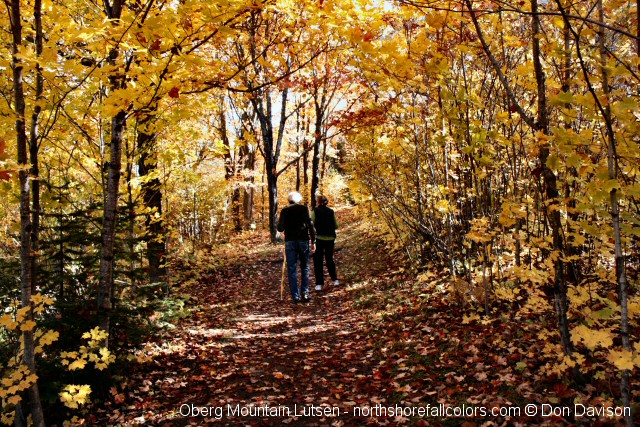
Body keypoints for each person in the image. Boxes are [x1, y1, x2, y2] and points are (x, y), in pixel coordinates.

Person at [277, 191, 316, 303]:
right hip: (303, 240)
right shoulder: (304, 209)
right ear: (299, 200)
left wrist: (278, 222)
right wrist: (313, 241)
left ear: (289, 200)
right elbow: (311, 225)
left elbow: (280, 228)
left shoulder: (285, 210)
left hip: (290, 242)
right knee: (305, 267)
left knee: (292, 269)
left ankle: (295, 296)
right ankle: (305, 293)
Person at [312, 194, 339, 291]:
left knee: (318, 261)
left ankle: (319, 284)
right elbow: (336, 225)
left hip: (319, 238)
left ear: (318, 202)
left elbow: (312, 223)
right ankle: (335, 279)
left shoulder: (315, 211)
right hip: (330, 238)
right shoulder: (331, 211)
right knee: (329, 259)